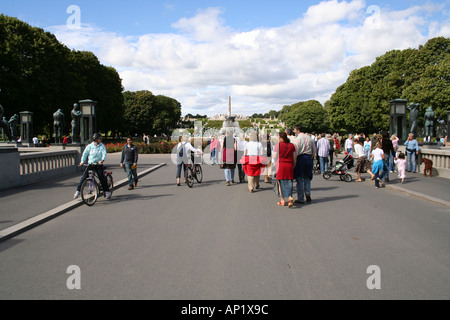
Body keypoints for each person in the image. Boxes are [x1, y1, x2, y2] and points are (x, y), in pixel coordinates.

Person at [74, 133, 111, 199]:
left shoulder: (102, 146)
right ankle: (78, 191)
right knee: (84, 177)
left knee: (101, 177)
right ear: (96, 139)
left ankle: (107, 191)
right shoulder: (90, 146)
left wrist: (102, 160)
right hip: (91, 164)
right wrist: (82, 161)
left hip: (98, 164)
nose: (101, 139)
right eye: (100, 138)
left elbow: (104, 153)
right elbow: (85, 154)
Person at [293, 124, 316, 204]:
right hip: (308, 158)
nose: (294, 131)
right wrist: (311, 158)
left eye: (295, 129)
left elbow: (295, 152)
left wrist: (294, 163)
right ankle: (308, 193)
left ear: (298, 130)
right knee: (307, 178)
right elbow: (314, 150)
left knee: (299, 179)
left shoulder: (297, 139)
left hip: (301, 158)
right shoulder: (310, 138)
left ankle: (301, 198)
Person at [273, 132, 296, 208]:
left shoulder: (278, 146)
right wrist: (293, 165)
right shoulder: (291, 145)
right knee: (289, 181)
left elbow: (274, 156)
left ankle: (282, 200)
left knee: (280, 182)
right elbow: (294, 157)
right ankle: (290, 197)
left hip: (280, 165)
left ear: (282, 138)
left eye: (279, 138)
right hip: (289, 165)